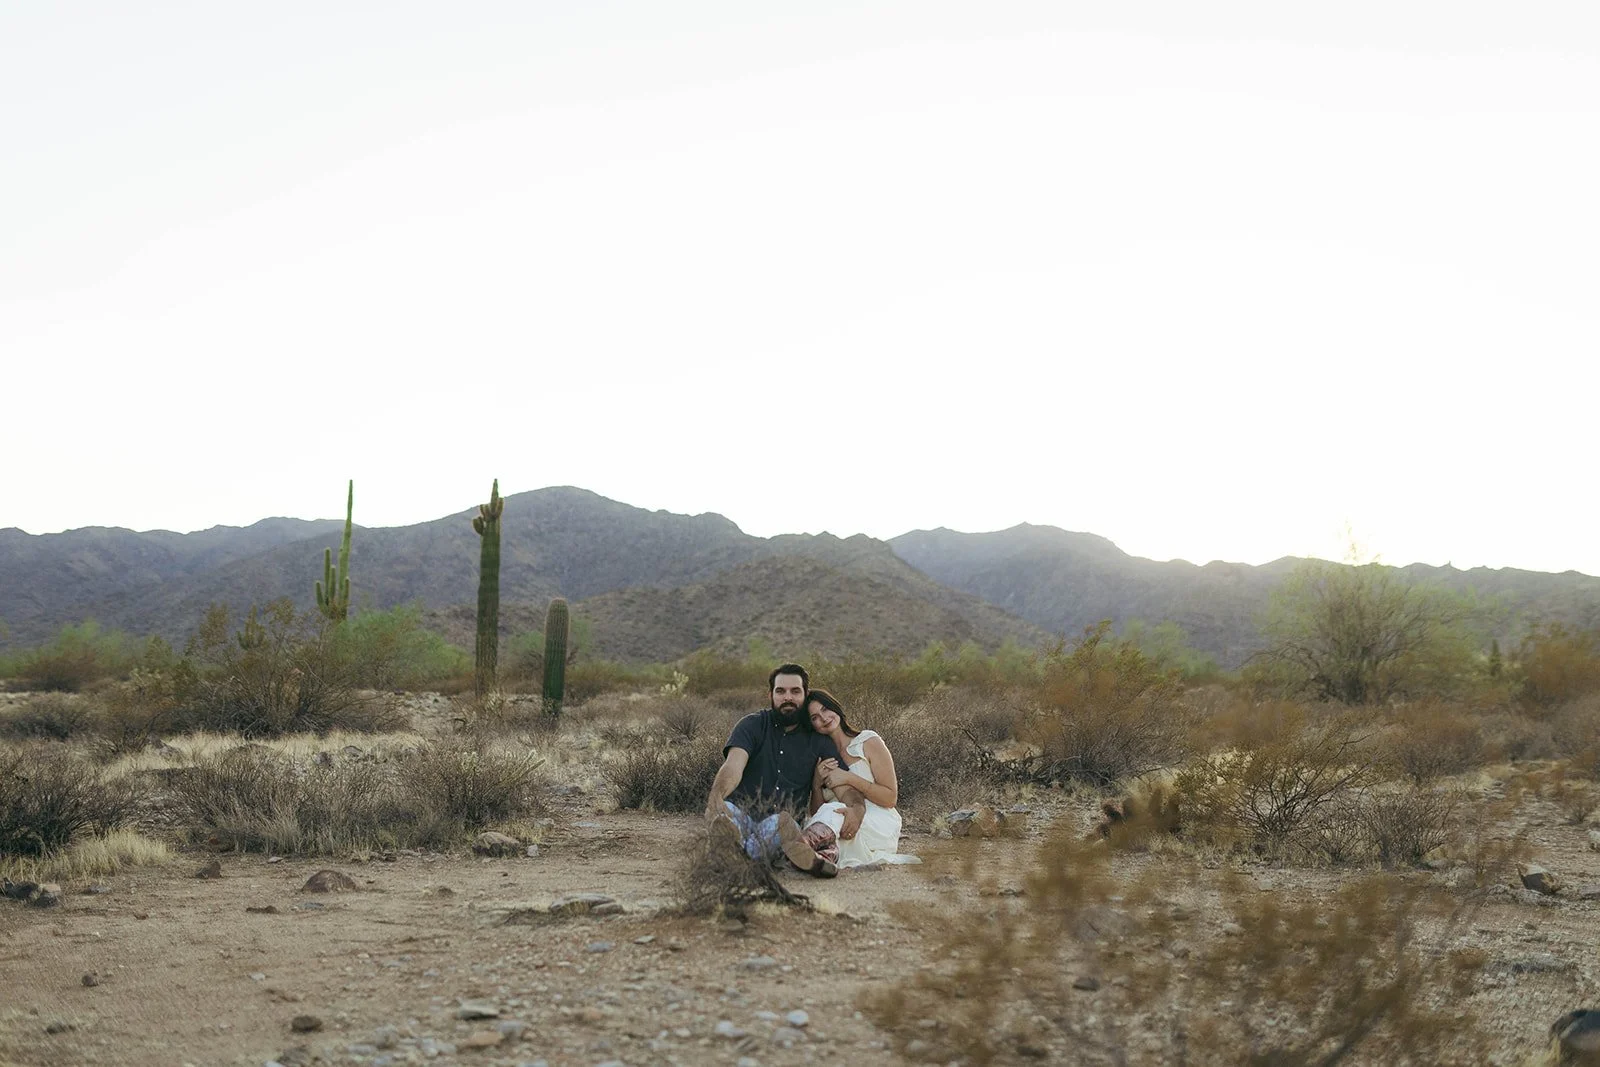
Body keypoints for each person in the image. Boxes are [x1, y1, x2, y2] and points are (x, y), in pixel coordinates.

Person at [703, 664, 865, 877]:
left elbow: (842, 784)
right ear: (770, 695)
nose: (788, 697)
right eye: (781, 691)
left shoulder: (819, 741)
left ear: (805, 695)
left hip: (780, 823)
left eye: (795, 691)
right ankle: (792, 858)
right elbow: (733, 765)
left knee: (781, 824)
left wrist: (857, 807)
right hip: (740, 813)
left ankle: (733, 855)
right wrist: (716, 797)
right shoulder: (751, 725)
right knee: (725, 819)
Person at [800, 688, 920, 868]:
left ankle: (803, 847)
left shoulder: (868, 741)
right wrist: (816, 785)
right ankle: (819, 860)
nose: (823, 718)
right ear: (811, 725)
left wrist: (849, 778)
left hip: (877, 822)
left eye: (825, 709)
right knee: (830, 816)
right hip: (839, 826)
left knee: (834, 812)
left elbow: (890, 798)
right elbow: (818, 811)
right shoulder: (822, 758)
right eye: (815, 717)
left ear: (835, 707)